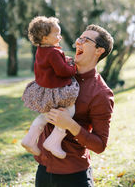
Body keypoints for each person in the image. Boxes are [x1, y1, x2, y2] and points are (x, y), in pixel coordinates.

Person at [34, 24, 115, 187]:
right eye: (79, 38)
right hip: (43, 171)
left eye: (85, 40)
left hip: (73, 177)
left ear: (99, 50)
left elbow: (99, 145)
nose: (78, 42)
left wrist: (70, 125)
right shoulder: (58, 69)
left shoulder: (101, 93)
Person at [21, 16, 79, 159]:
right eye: (56, 33)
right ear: (45, 38)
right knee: (69, 110)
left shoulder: (41, 50)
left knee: (46, 114)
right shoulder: (54, 52)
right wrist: (73, 68)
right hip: (56, 90)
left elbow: (49, 67)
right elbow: (62, 71)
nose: (59, 36)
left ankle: (29, 138)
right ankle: (54, 141)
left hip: (44, 90)